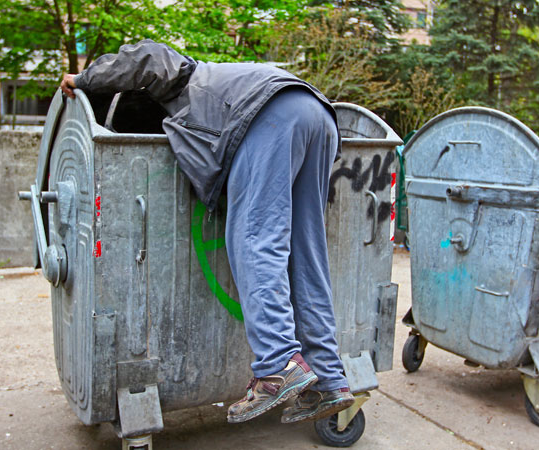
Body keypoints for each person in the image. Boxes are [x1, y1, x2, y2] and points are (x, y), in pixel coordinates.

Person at [61, 40, 354, 424]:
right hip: (317, 115)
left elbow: (148, 56)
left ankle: (278, 365)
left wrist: (83, 78)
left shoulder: (187, 76)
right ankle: (329, 379)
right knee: (306, 254)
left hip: (269, 116)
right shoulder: (223, 82)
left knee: (253, 241)